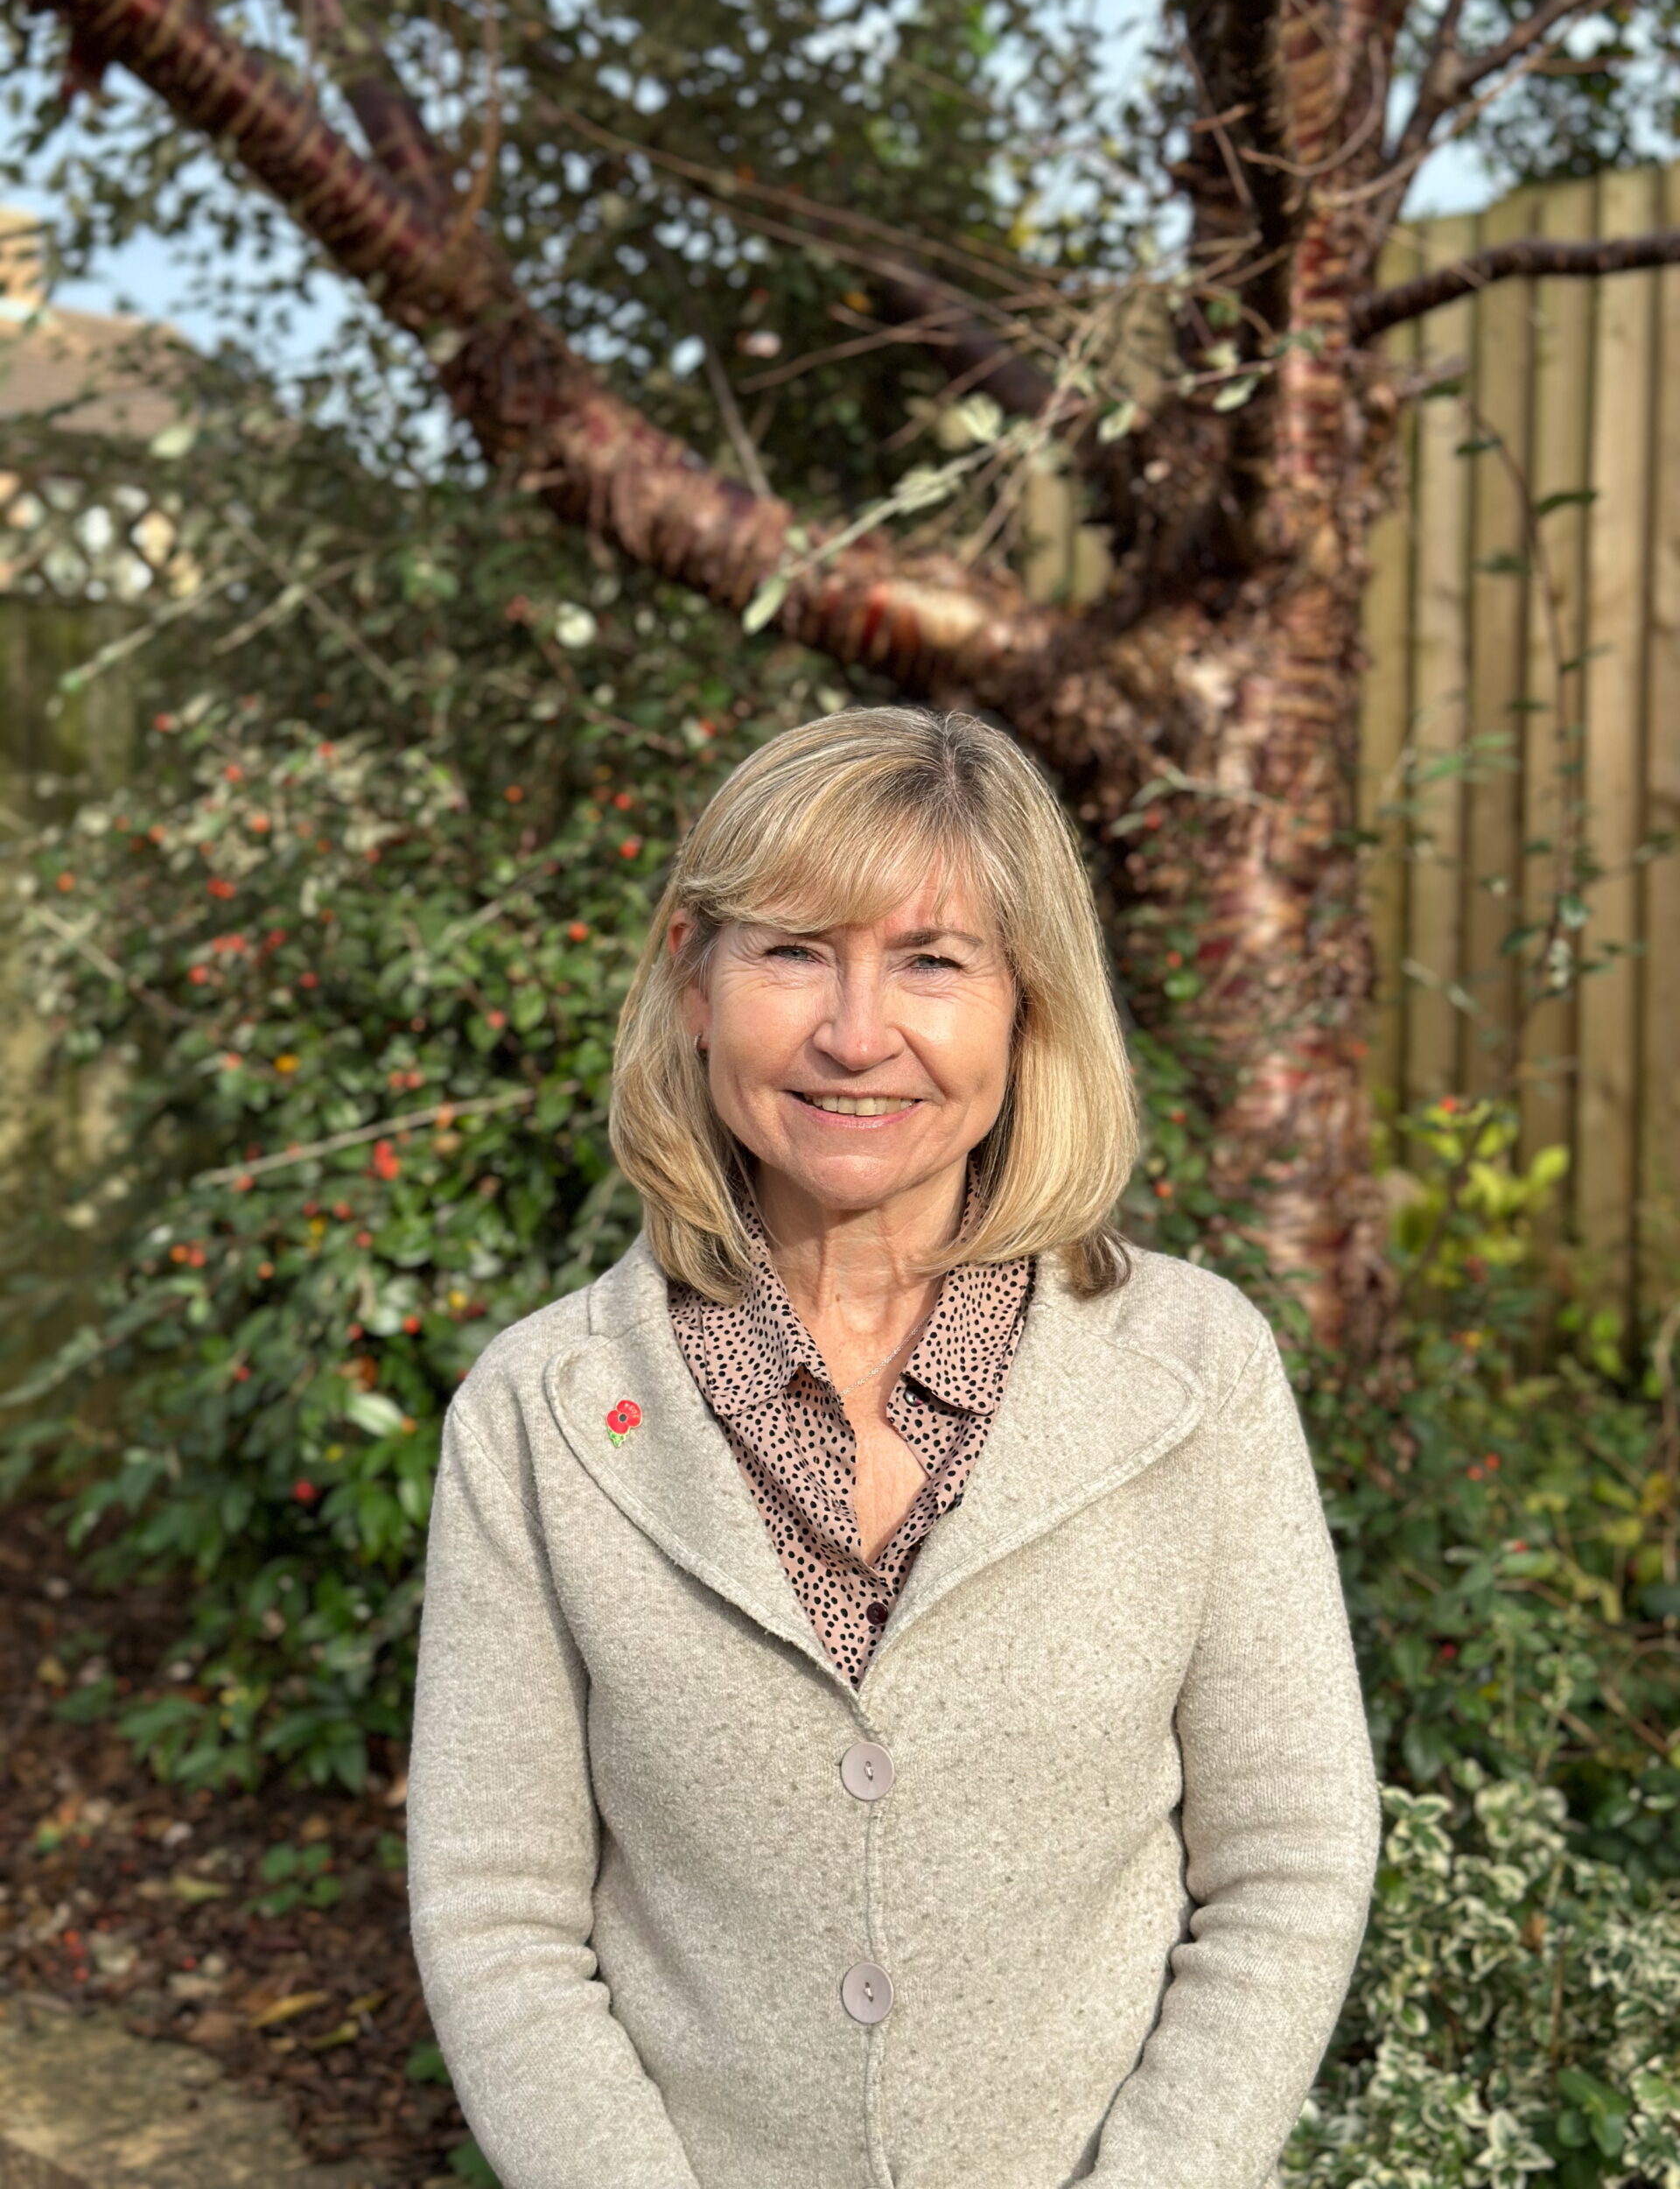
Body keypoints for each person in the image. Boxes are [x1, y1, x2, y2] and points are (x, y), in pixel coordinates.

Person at [405, 705, 1383, 2189]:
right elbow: (495, 1912)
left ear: (1026, 1008)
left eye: (933, 961)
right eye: (795, 951)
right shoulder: (541, 1412)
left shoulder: (1194, 1375)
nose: (858, 1035)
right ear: (692, 982)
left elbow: (1292, 1862)